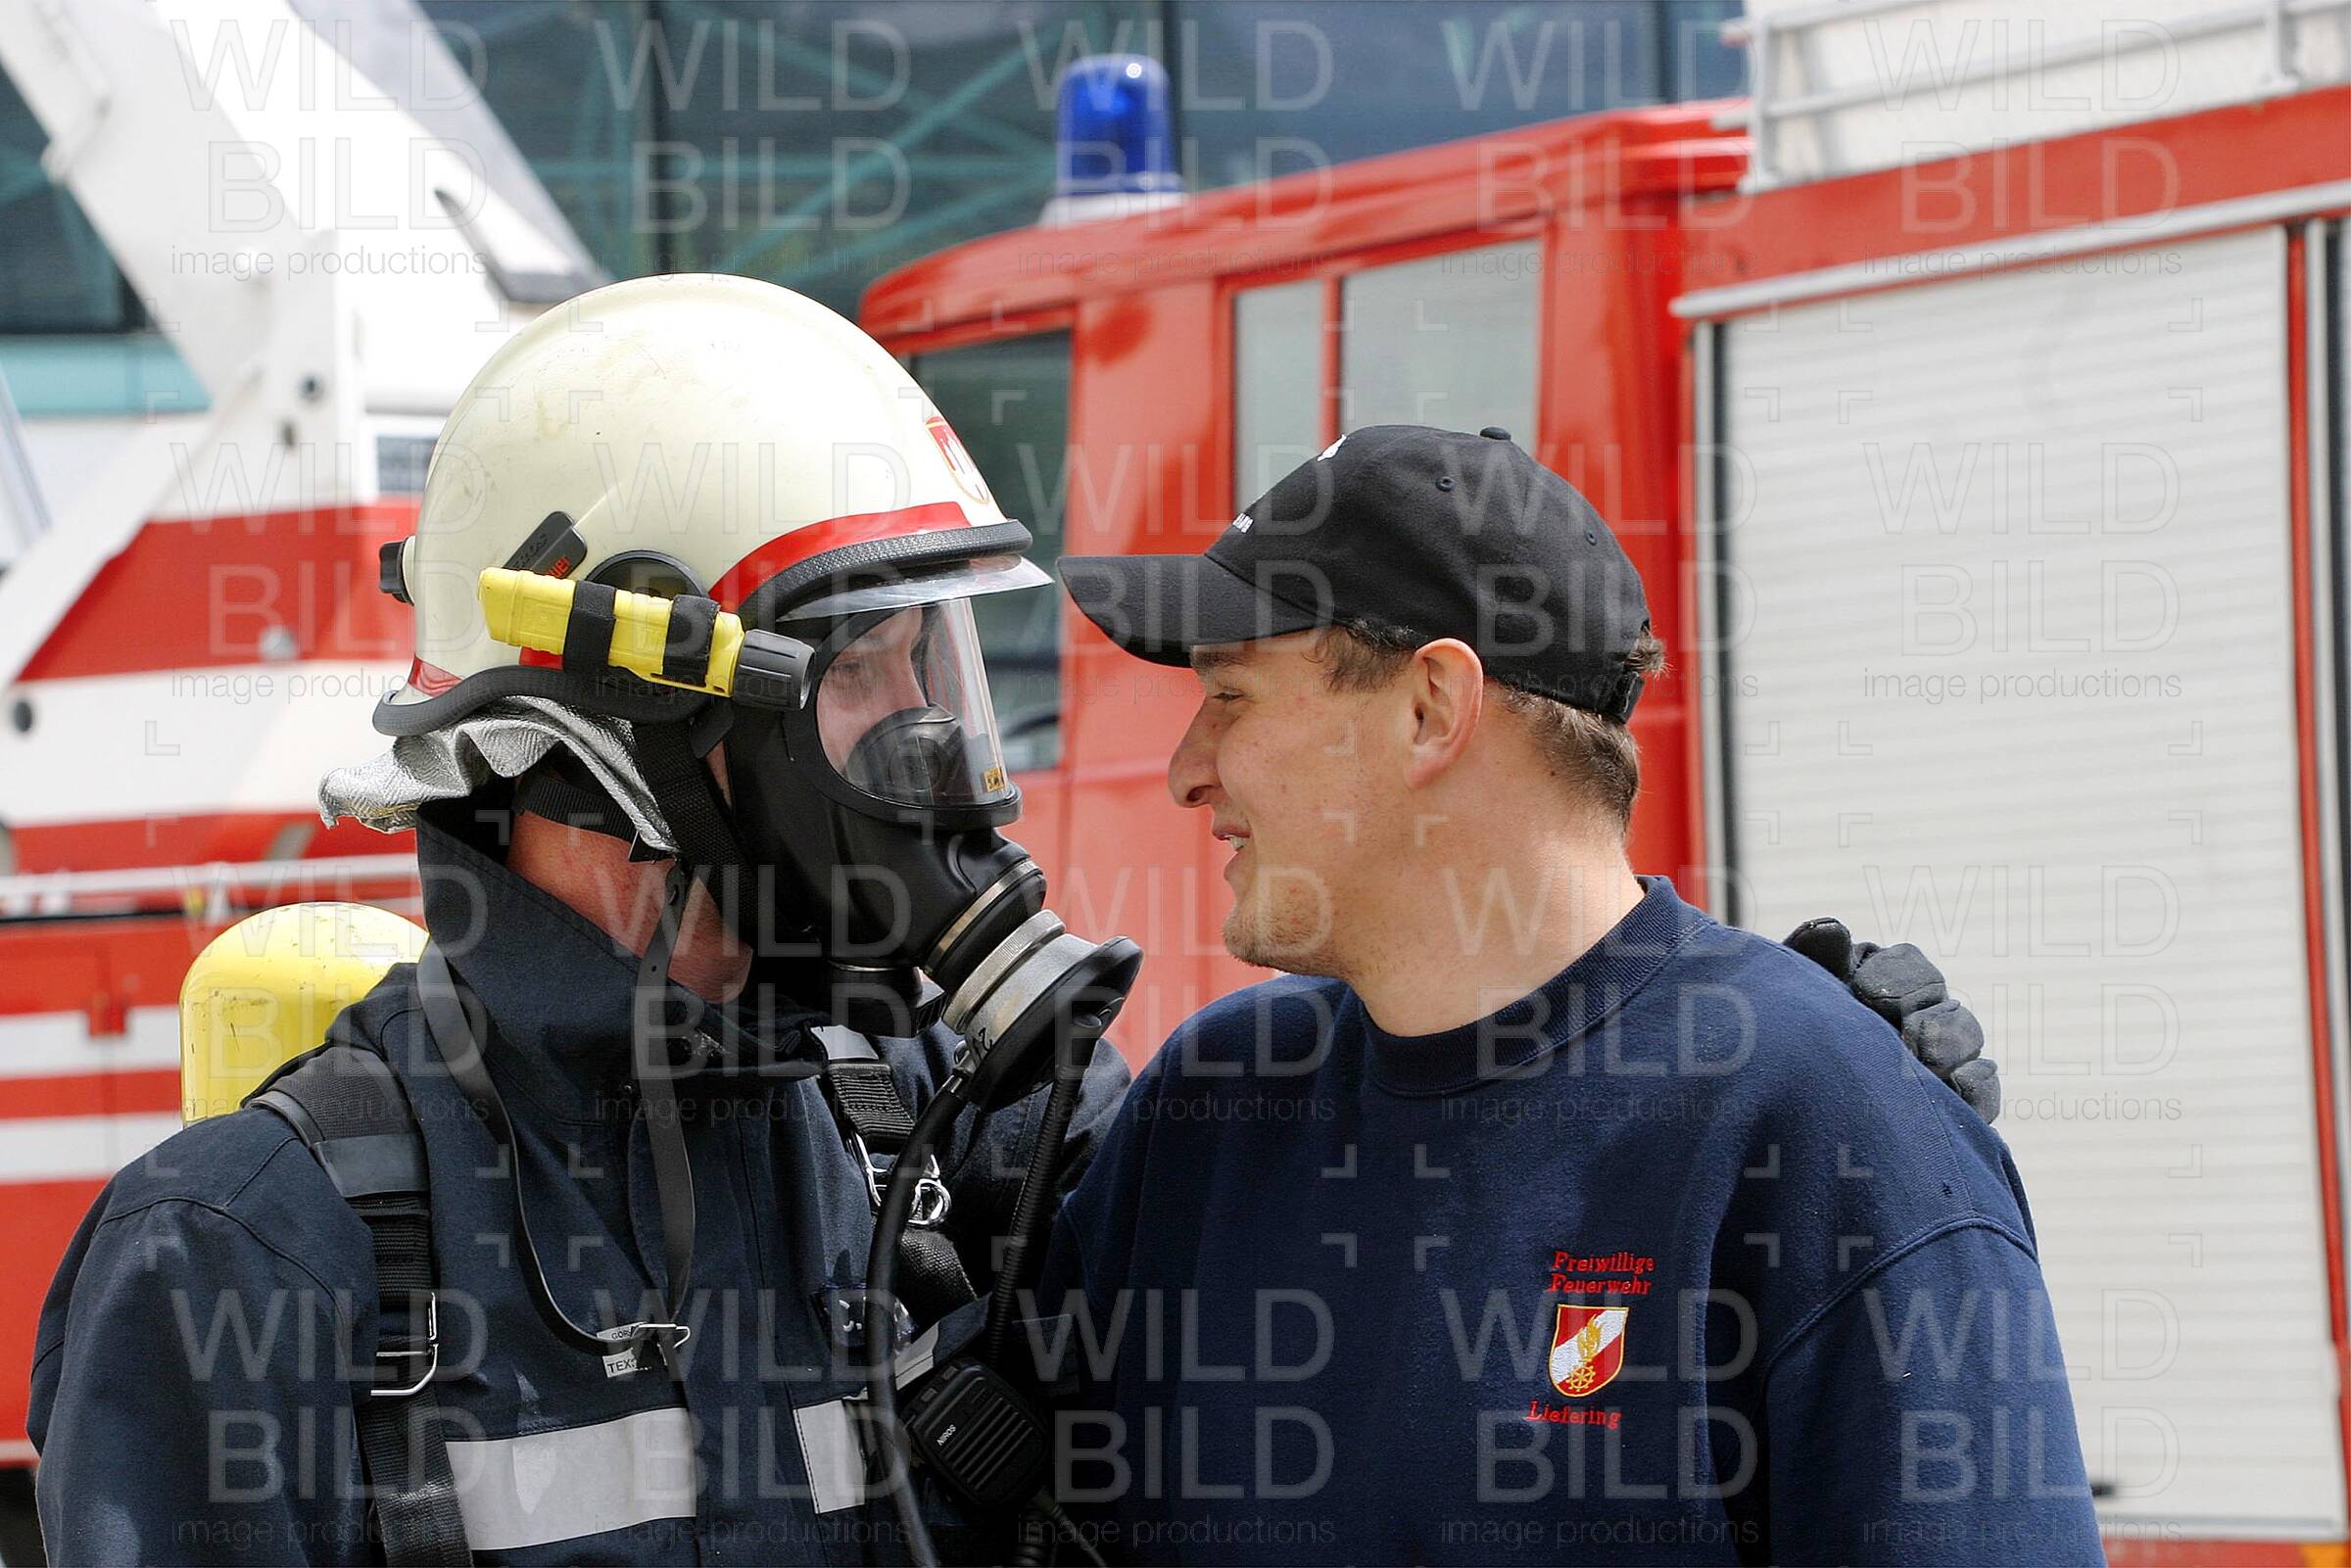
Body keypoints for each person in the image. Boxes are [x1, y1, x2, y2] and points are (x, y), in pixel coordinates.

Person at [27, 277, 1994, 1567]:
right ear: (628, 726)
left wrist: (1739, 1068)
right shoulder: (247, 1260)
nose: (946, 752)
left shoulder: (925, 1139)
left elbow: (1370, 1232)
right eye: (870, 674)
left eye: (944, 665)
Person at [1045, 424, 2096, 1565]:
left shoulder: (1827, 1135)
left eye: (1231, 695)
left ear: (1431, 706)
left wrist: (1844, 1090)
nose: (1185, 770)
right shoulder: (1212, 1111)